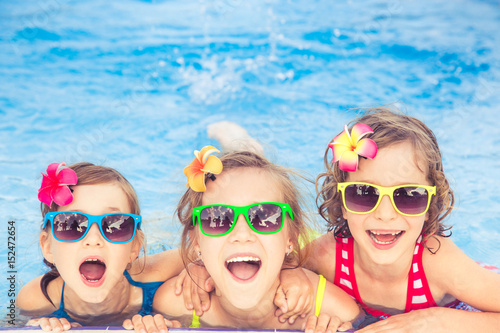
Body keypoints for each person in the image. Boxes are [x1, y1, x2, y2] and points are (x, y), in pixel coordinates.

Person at [303, 107, 500, 332]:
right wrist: (296, 280)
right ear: (341, 203)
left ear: (429, 207)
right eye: (363, 193)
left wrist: (438, 321)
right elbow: (275, 273)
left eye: (408, 195)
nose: (385, 214)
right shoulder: (328, 257)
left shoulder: (439, 264)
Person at [124, 149, 363, 333]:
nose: (242, 234)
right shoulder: (175, 304)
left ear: (292, 238)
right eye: (217, 218)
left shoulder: (334, 310)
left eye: (264, 216)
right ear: (196, 242)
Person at [17, 162, 184, 331]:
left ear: (134, 248)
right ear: (47, 247)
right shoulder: (36, 300)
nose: (94, 239)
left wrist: (197, 269)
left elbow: (195, 254)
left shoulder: (154, 275)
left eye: (115, 225)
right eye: (72, 224)